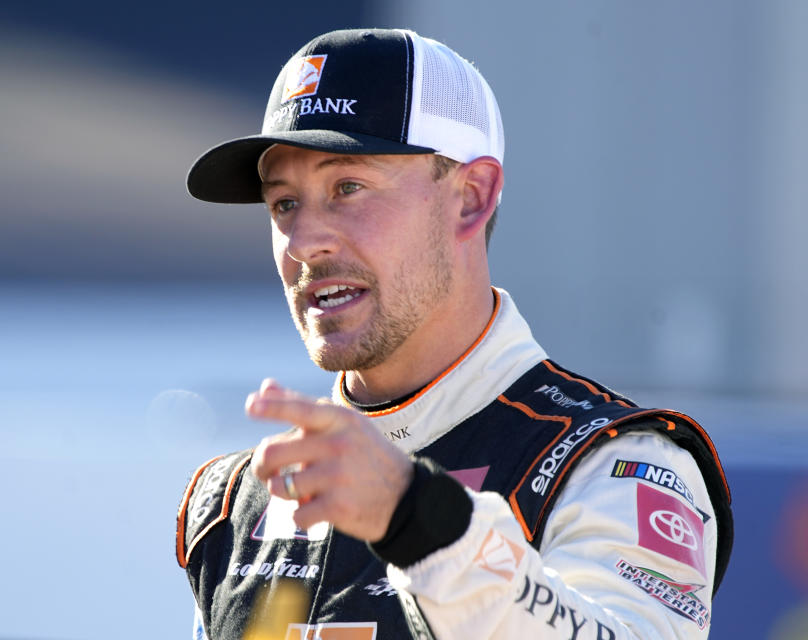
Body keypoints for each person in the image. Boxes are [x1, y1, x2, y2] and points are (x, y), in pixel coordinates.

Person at [177, 28, 732, 640]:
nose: (306, 240)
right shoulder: (235, 499)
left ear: (472, 197)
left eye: (348, 188)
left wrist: (421, 523)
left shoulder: (614, 463)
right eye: (284, 204)